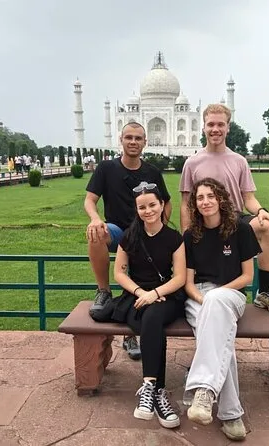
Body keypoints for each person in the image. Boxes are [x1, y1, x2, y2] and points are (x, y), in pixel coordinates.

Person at [179, 103, 269, 315]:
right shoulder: (192, 163)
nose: (215, 129)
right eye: (211, 124)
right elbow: (186, 202)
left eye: (220, 124)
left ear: (228, 127)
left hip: (234, 222)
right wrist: (187, 233)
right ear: (203, 127)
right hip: (205, 223)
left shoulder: (238, 161)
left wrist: (261, 211)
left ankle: (264, 291)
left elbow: (248, 198)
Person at [84, 122, 172, 360]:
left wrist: (160, 228)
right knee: (96, 233)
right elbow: (90, 200)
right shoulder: (106, 168)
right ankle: (103, 291)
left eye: (138, 138)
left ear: (145, 142)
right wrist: (95, 219)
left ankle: (130, 334)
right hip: (117, 231)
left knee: (141, 283)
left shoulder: (152, 172)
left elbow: (166, 203)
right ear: (121, 140)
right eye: (129, 137)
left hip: (144, 232)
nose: (133, 142)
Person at [182, 177, 261, 441]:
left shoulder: (241, 229)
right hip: (199, 296)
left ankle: (203, 390)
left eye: (210, 196)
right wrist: (204, 299)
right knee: (220, 339)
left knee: (217, 320)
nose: (205, 202)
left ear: (220, 199)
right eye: (199, 198)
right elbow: (188, 283)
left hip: (231, 294)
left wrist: (216, 296)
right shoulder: (191, 235)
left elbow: (247, 276)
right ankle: (231, 414)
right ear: (195, 204)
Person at [107, 181, 186, 428]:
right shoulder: (130, 236)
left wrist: (155, 293)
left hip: (166, 296)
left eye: (152, 205)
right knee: (152, 322)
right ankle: (157, 392)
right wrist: (142, 292)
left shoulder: (174, 238)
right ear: (137, 210)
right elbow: (119, 273)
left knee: (152, 317)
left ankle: (148, 386)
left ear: (162, 205)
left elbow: (180, 277)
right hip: (136, 295)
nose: (148, 211)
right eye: (142, 207)